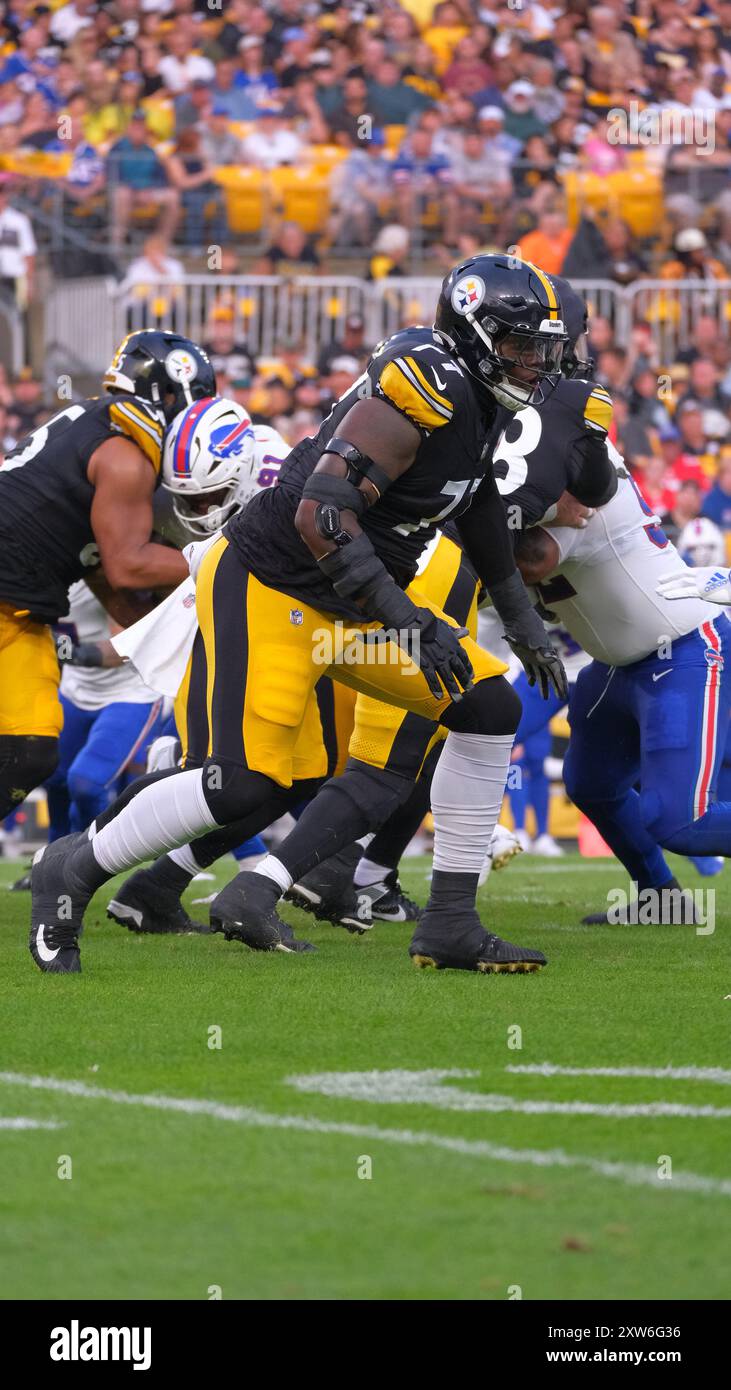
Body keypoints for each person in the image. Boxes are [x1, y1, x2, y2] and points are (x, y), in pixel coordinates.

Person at [29, 255, 569, 976]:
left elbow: (470, 505)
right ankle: (74, 871)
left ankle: (449, 922)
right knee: (243, 783)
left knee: (486, 706)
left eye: (541, 347)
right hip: (275, 587)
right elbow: (322, 517)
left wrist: (521, 618)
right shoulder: (421, 387)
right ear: (472, 334)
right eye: (519, 344)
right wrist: (408, 619)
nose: (534, 362)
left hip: (355, 603)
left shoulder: (481, 395)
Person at [0, 331, 215, 833]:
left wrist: (146, 631)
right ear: (169, 394)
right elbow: (127, 564)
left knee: (30, 751)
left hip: (22, 607)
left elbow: (97, 563)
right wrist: (217, 560)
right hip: (9, 590)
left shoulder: (99, 422)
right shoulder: (125, 451)